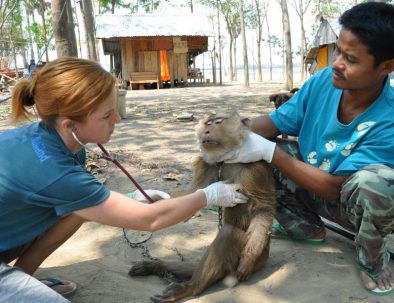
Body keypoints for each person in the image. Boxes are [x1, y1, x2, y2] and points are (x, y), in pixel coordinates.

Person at [0, 57, 248, 303]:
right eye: (107, 115)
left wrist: (130, 199)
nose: (117, 120)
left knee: (77, 210)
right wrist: (209, 196)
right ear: (69, 124)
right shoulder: (54, 169)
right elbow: (151, 219)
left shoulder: (54, 138)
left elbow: (82, 203)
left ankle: (24, 277)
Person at [224, 2, 394, 296]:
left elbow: (334, 189)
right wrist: (229, 135)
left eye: (351, 59)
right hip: (311, 183)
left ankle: (373, 259)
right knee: (251, 153)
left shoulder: (389, 119)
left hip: (353, 205)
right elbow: (275, 123)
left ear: (387, 66)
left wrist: (269, 152)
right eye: (338, 50)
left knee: (376, 185)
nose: (337, 63)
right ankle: (306, 227)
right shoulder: (322, 83)